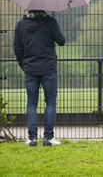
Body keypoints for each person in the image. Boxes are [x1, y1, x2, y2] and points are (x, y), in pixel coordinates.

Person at [13, 10, 65, 146]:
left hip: (30, 69)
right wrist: (53, 24)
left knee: (31, 103)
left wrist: (24, 64)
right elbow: (62, 41)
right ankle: (48, 138)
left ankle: (32, 139)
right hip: (48, 68)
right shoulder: (50, 22)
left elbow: (17, 48)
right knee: (51, 103)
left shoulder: (20, 25)